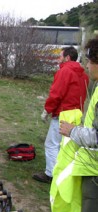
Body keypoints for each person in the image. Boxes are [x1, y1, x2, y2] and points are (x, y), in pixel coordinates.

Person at [52, 38, 98, 212]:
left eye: (90, 61)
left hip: (96, 172)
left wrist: (73, 130)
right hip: (90, 169)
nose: (88, 67)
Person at [32, 46, 89, 183]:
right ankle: (64, 171)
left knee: (52, 144)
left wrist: (47, 110)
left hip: (63, 113)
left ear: (67, 57)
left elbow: (56, 93)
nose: (59, 59)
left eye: (60, 56)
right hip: (76, 113)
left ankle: (51, 174)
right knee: (66, 145)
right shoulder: (84, 75)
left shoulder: (65, 71)